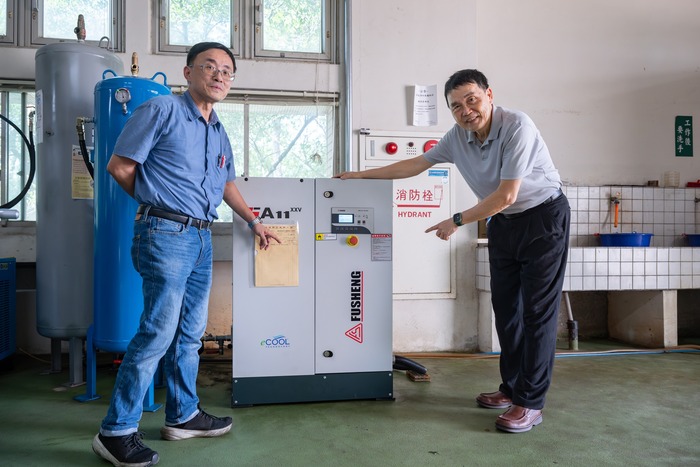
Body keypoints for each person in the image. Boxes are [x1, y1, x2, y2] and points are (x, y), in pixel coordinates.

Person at [336, 69, 570, 434]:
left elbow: (507, 194)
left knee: (537, 313)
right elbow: (416, 163)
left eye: (472, 100)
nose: (466, 111)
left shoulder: (517, 126)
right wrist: (363, 175)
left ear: (489, 95)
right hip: (504, 222)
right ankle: (510, 389)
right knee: (506, 311)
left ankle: (530, 402)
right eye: (456, 106)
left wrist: (457, 219)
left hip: (542, 218)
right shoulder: (458, 137)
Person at [92, 42, 281, 466]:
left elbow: (227, 183)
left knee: (190, 335)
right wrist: (156, 205)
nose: (219, 75)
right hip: (165, 232)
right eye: (209, 67)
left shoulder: (218, 129)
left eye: (227, 71)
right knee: (158, 331)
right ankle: (116, 430)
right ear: (188, 71)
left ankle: (183, 415)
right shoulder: (162, 110)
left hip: (200, 238)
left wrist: (254, 221)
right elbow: (120, 166)